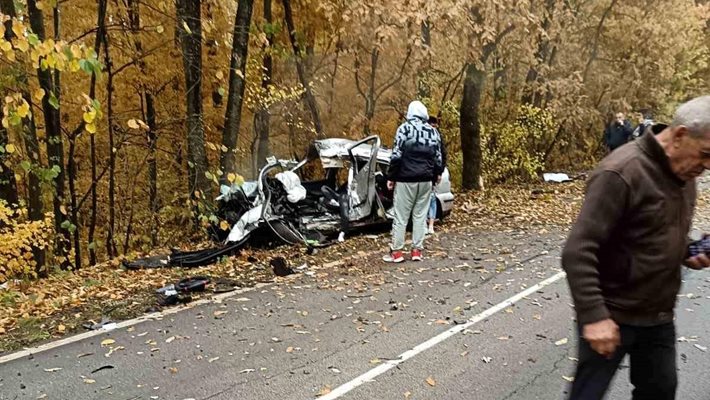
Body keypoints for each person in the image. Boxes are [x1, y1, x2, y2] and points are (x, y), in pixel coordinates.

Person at [562, 96, 710, 400]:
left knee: (660, 391)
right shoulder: (621, 172)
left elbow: (654, 234)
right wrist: (593, 316)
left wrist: (689, 252)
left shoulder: (684, 174)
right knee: (587, 395)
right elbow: (578, 250)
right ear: (680, 135)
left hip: (657, 317)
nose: (707, 167)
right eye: (706, 154)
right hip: (611, 314)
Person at [383, 101, 442, 263]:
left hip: (405, 179)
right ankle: (417, 251)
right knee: (420, 216)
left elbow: (396, 155)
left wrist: (391, 177)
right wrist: (437, 174)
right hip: (425, 180)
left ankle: (397, 252)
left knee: (401, 216)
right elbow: (438, 157)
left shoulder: (404, 129)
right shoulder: (433, 132)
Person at [426, 116, 447, 235]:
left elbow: (443, 155)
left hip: (433, 172)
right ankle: (425, 223)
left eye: (435, 126)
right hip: (426, 172)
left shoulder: (438, 138)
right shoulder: (427, 136)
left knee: (432, 198)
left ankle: (431, 224)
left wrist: (439, 172)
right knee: (425, 199)